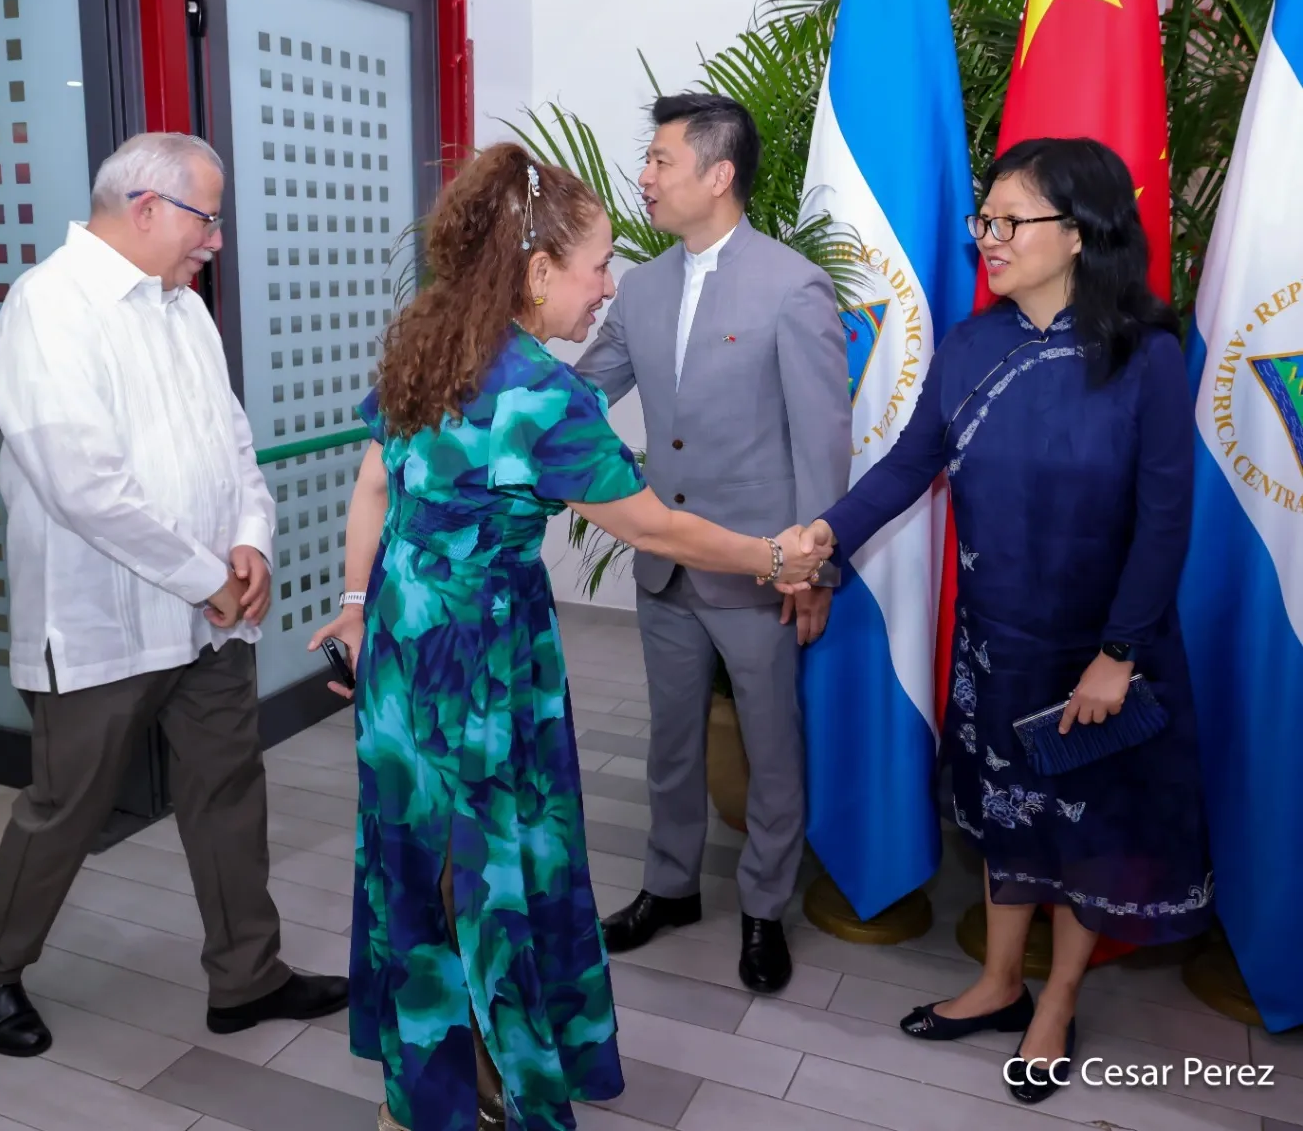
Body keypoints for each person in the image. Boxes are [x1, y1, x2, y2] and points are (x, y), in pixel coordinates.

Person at [307, 142, 823, 1131]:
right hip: (483, 669)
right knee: (497, 876)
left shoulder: (422, 339)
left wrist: (352, 599)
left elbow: (375, 481)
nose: (607, 288)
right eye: (595, 265)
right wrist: (773, 558)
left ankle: (422, 1095)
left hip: (402, 652)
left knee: (420, 868)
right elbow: (655, 527)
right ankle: (489, 1092)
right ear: (537, 272)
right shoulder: (542, 395)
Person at [795, 137, 1211, 1104]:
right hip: (995, 642)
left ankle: (1058, 998)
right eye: (985, 217)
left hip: (1099, 653)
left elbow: (1164, 520)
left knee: (1083, 826)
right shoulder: (973, 342)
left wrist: (1118, 654)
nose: (987, 236)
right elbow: (907, 467)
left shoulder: (1145, 357)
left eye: (1008, 220)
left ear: (1080, 233)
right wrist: (824, 531)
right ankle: (995, 980)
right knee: (1008, 816)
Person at [0, 132, 348, 1058]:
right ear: (145, 207)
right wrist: (208, 575)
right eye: (206, 217)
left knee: (227, 791)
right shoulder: (50, 305)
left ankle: (247, 976)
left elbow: (234, 446)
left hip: (210, 622)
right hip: (103, 621)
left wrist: (249, 541)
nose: (215, 237)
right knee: (70, 806)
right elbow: (80, 483)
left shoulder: (183, 310)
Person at [574, 93, 851, 993]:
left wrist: (814, 568)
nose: (643, 178)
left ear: (717, 174)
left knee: (773, 742)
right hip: (665, 566)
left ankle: (765, 905)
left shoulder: (792, 284)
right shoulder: (642, 286)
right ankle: (670, 883)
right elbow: (581, 397)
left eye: (659, 161)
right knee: (669, 739)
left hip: (763, 567)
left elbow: (821, 440)